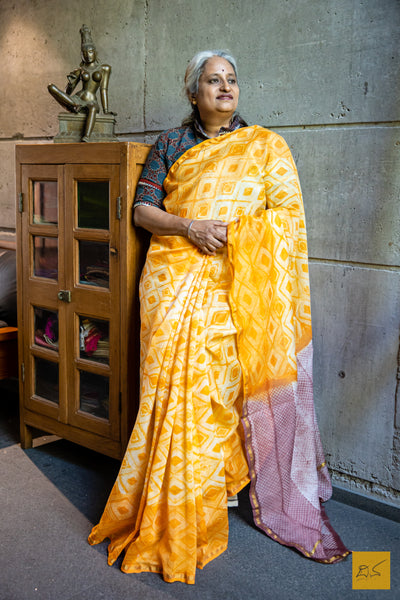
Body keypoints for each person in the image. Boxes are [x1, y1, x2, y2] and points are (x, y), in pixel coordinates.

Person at [88, 50, 350, 584]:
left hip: (235, 285)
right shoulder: (171, 144)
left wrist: (241, 237)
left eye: (232, 79)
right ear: (193, 92)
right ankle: (178, 499)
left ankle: (219, 487)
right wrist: (189, 228)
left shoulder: (264, 147)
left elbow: (288, 221)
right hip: (174, 278)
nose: (225, 87)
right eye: (214, 80)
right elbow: (142, 210)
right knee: (175, 387)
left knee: (221, 387)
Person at [48, 25, 113, 142]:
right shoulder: (80, 70)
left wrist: (106, 110)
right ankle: (74, 106)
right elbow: (67, 93)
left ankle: (86, 137)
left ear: (95, 52)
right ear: (82, 55)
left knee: (93, 107)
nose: (88, 55)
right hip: (78, 99)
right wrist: (70, 83)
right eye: (85, 53)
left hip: (91, 101)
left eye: (91, 51)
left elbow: (104, 90)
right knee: (51, 87)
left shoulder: (104, 68)